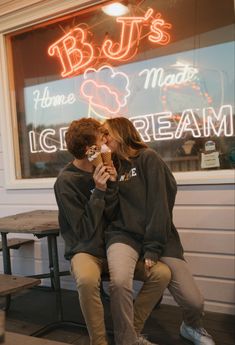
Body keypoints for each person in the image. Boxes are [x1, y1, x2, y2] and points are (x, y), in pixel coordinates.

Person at [54, 118, 171, 345]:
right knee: (87, 280)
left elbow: (115, 213)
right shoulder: (65, 182)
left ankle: (129, 336)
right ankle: (99, 342)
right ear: (91, 151)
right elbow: (83, 232)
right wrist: (98, 191)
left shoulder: (107, 165)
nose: (107, 142)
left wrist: (113, 184)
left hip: (113, 245)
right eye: (102, 139)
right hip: (86, 250)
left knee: (162, 274)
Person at [102, 117, 216, 345]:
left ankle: (190, 326)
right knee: (120, 282)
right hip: (123, 236)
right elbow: (111, 213)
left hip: (159, 237)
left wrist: (153, 249)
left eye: (106, 133)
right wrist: (111, 183)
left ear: (121, 132)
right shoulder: (110, 165)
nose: (103, 139)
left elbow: (160, 206)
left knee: (194, 302)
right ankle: (128, 339)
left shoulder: (147, 158)